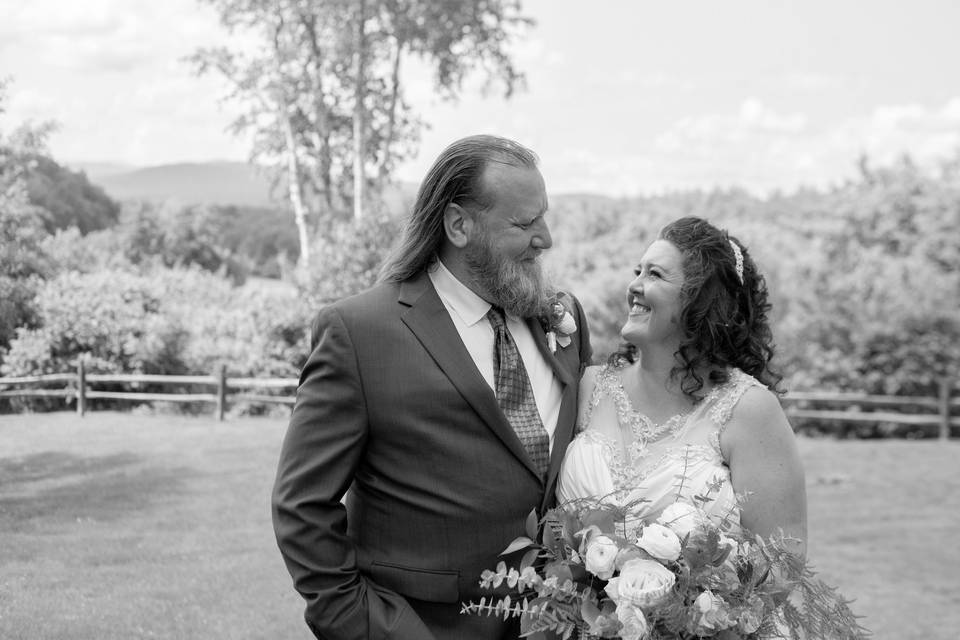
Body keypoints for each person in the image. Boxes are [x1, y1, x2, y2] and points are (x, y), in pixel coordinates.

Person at [272, 134, 593, 640]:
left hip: (558, 625)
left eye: (544, 217)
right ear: (459, 224)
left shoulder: (563, 318)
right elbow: (301, 507)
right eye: (525, 223)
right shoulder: (360, 332)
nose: (546, 238)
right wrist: (368, 627)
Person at [557, 216, 806, 557]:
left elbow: (783, 562)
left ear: (702, 301)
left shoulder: (749, 410)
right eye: (638, 272)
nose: (635, 286)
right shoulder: (587, 386)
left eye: (655, 274)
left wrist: (686, 604)